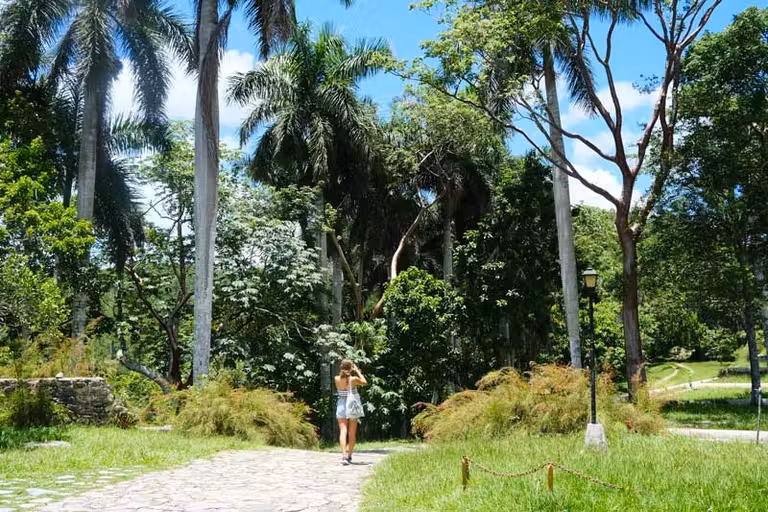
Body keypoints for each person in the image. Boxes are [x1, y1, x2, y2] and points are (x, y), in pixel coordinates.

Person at [334, 359, 367, 465]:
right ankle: (349, 456)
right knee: (352, 432)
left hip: (342, 405)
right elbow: (364, 382)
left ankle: (343, 455)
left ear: (341, 367)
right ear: (351, 368)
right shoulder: (353, 379)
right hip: (352, 405)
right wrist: (357, 371)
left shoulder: (336, 379)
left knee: (342, 431)